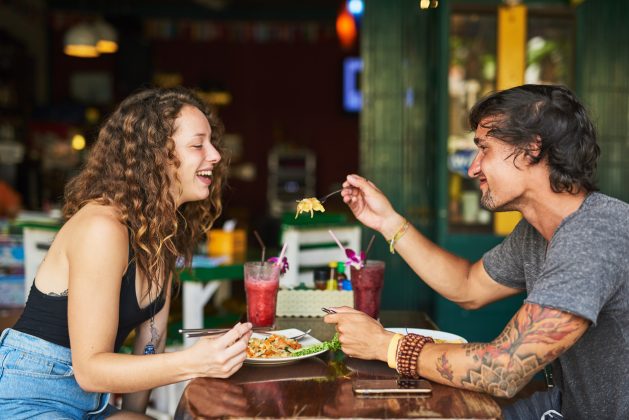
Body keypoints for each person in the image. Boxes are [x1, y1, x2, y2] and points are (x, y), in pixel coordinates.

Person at [325, 85, 628, 419]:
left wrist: (385, 345)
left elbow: (503, 369)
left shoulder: (595, 234)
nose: (473, 168)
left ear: (532, 149)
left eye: (484, 149)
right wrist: (388, 221)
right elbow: (468, 286)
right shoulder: (536, 232)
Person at [0, 87, 253, 418]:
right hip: (31, 396)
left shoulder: (160, 235)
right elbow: (90, 371)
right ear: (155, 155)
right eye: (197, 145)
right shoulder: (102, 228)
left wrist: (136, 415)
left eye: (212, 142)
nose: (216, 155)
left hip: (91, 405)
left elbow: (149, 344)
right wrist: (194, 361)